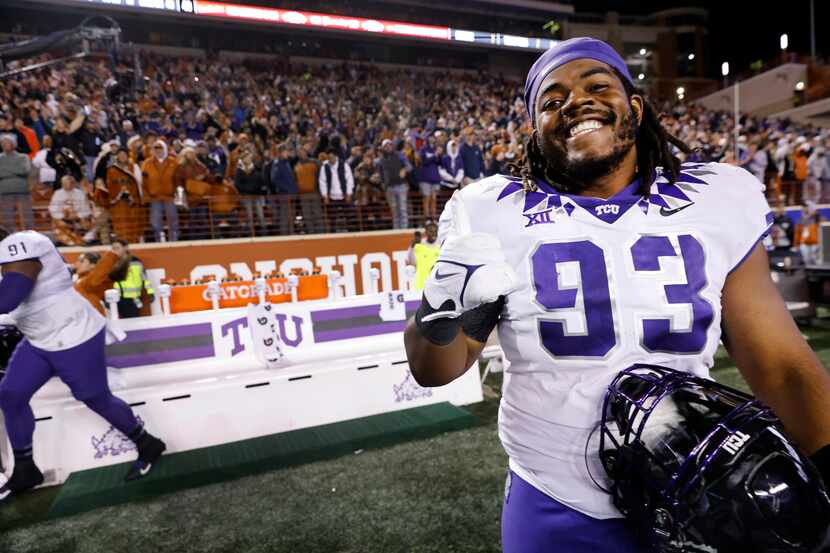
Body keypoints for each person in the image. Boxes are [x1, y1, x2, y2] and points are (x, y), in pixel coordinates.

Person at [404, 37, 830, 552]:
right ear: (535, 133)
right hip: (555, 496)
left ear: (633, 106)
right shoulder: (492, 210)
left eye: (596, 85)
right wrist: (442, 306)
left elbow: (778, 362)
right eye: (552, 101)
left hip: (698, 484)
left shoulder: (716, 196)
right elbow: (437, 368)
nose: (575, 102)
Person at [0, 226, 165, 502]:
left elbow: (10, 296)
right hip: (39, 338)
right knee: (11, 394)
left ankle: (148, 443)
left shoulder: (21, 243)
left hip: (73, 334)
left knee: (94, 397)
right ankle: (26, 468)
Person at [110, 239, 154, 319]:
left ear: (125, 248)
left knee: (134, 323)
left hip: (135, 299)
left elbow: (144, 278)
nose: (115, 251)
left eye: (117, 248)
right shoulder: (112, 263)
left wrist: (150, 292)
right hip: (119, 299)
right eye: (113, 248)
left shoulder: (137, 261)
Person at [0, 134, 33, 232]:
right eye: (3, 143)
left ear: (13, 144)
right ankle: (11, 236)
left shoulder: (23, 157)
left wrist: (5, 170)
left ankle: (29, 234)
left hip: (21, 189)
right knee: (7, 216)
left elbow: (25, 170)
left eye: (7, 142)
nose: (5, 145)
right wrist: (15, 170)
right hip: (4, 190)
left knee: (27, 215)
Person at [319, 147, 354, 233]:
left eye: (332, 157)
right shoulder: (324, 167)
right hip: (331, 196)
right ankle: (332, 235)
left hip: (344, 195)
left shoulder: (344, 165)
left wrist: (349, 193)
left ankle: (352, 234)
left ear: (336, 156)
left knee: (349, 217)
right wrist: (325, 195)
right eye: (329, 157)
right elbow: (322, 181)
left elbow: (349, 179)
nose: (330, 159)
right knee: (332, 219)